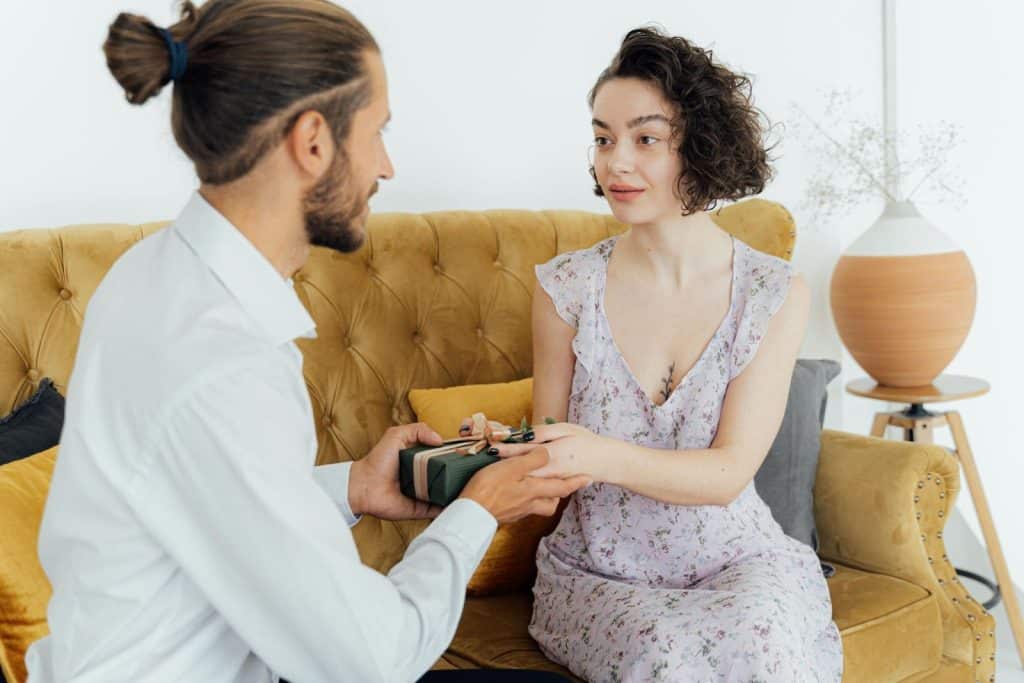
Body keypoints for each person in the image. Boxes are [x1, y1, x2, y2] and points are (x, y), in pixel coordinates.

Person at [24, 2, 588, 681]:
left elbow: (216, 507)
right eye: (378, 131)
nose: (387, 165)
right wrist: (477, 512)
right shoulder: (221, 359)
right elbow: (372, 659)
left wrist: (353, 486)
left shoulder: (155, 275)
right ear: (314, 140)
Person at [485, 28, 844, 681]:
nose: (615, 162)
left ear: (700, 149)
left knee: (766, 648)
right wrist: (505, 451)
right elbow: (550, 461)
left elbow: (729, 472)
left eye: (645, 139)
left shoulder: (772, 293)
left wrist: (593, 452)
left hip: (737, 561)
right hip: (601, 575)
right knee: (665, 657)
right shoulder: (564, 289)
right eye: (602, 138)